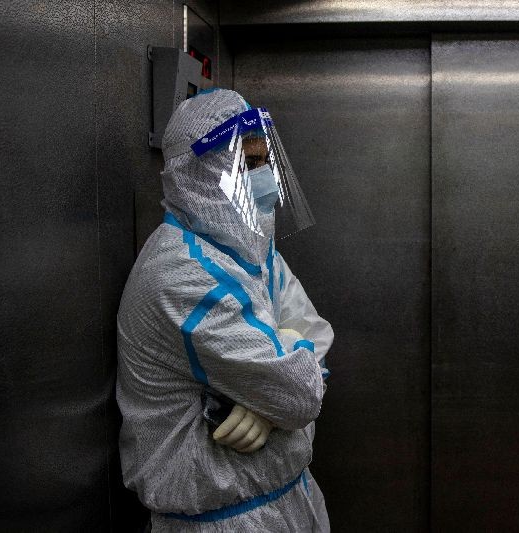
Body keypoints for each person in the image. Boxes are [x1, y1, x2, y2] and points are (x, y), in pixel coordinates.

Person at [116, 88, 333, 531]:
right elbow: (301, 395)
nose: (266, 177)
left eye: (266, 161)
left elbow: (315, 330)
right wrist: (281, 390)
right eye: (248, 164)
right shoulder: (183, 276)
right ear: (200, 173)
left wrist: (274, 383)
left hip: (290, 498)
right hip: (223, 521)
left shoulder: (250, 252)